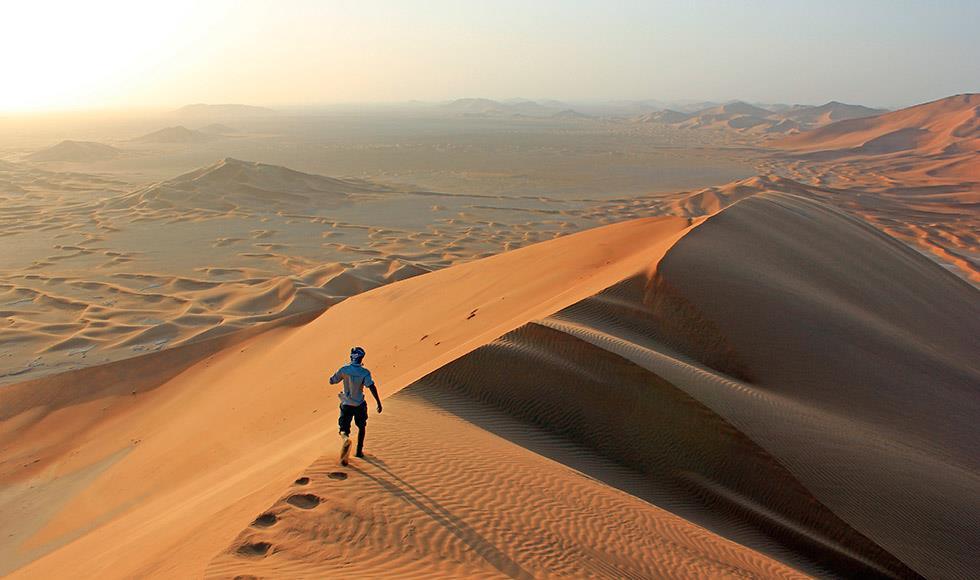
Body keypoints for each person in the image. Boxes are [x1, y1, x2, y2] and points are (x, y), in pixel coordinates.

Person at [329, 346, 382, 464]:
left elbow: (332, 381)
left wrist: (337, 377)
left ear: (351, 356)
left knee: (343, 429)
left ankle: (346, 439)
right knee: (362, 427)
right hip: (359, 405)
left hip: (346, 404)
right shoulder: (365, 372)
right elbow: (371, 386)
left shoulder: (344, 369)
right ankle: (359, 451)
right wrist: (378, 402)